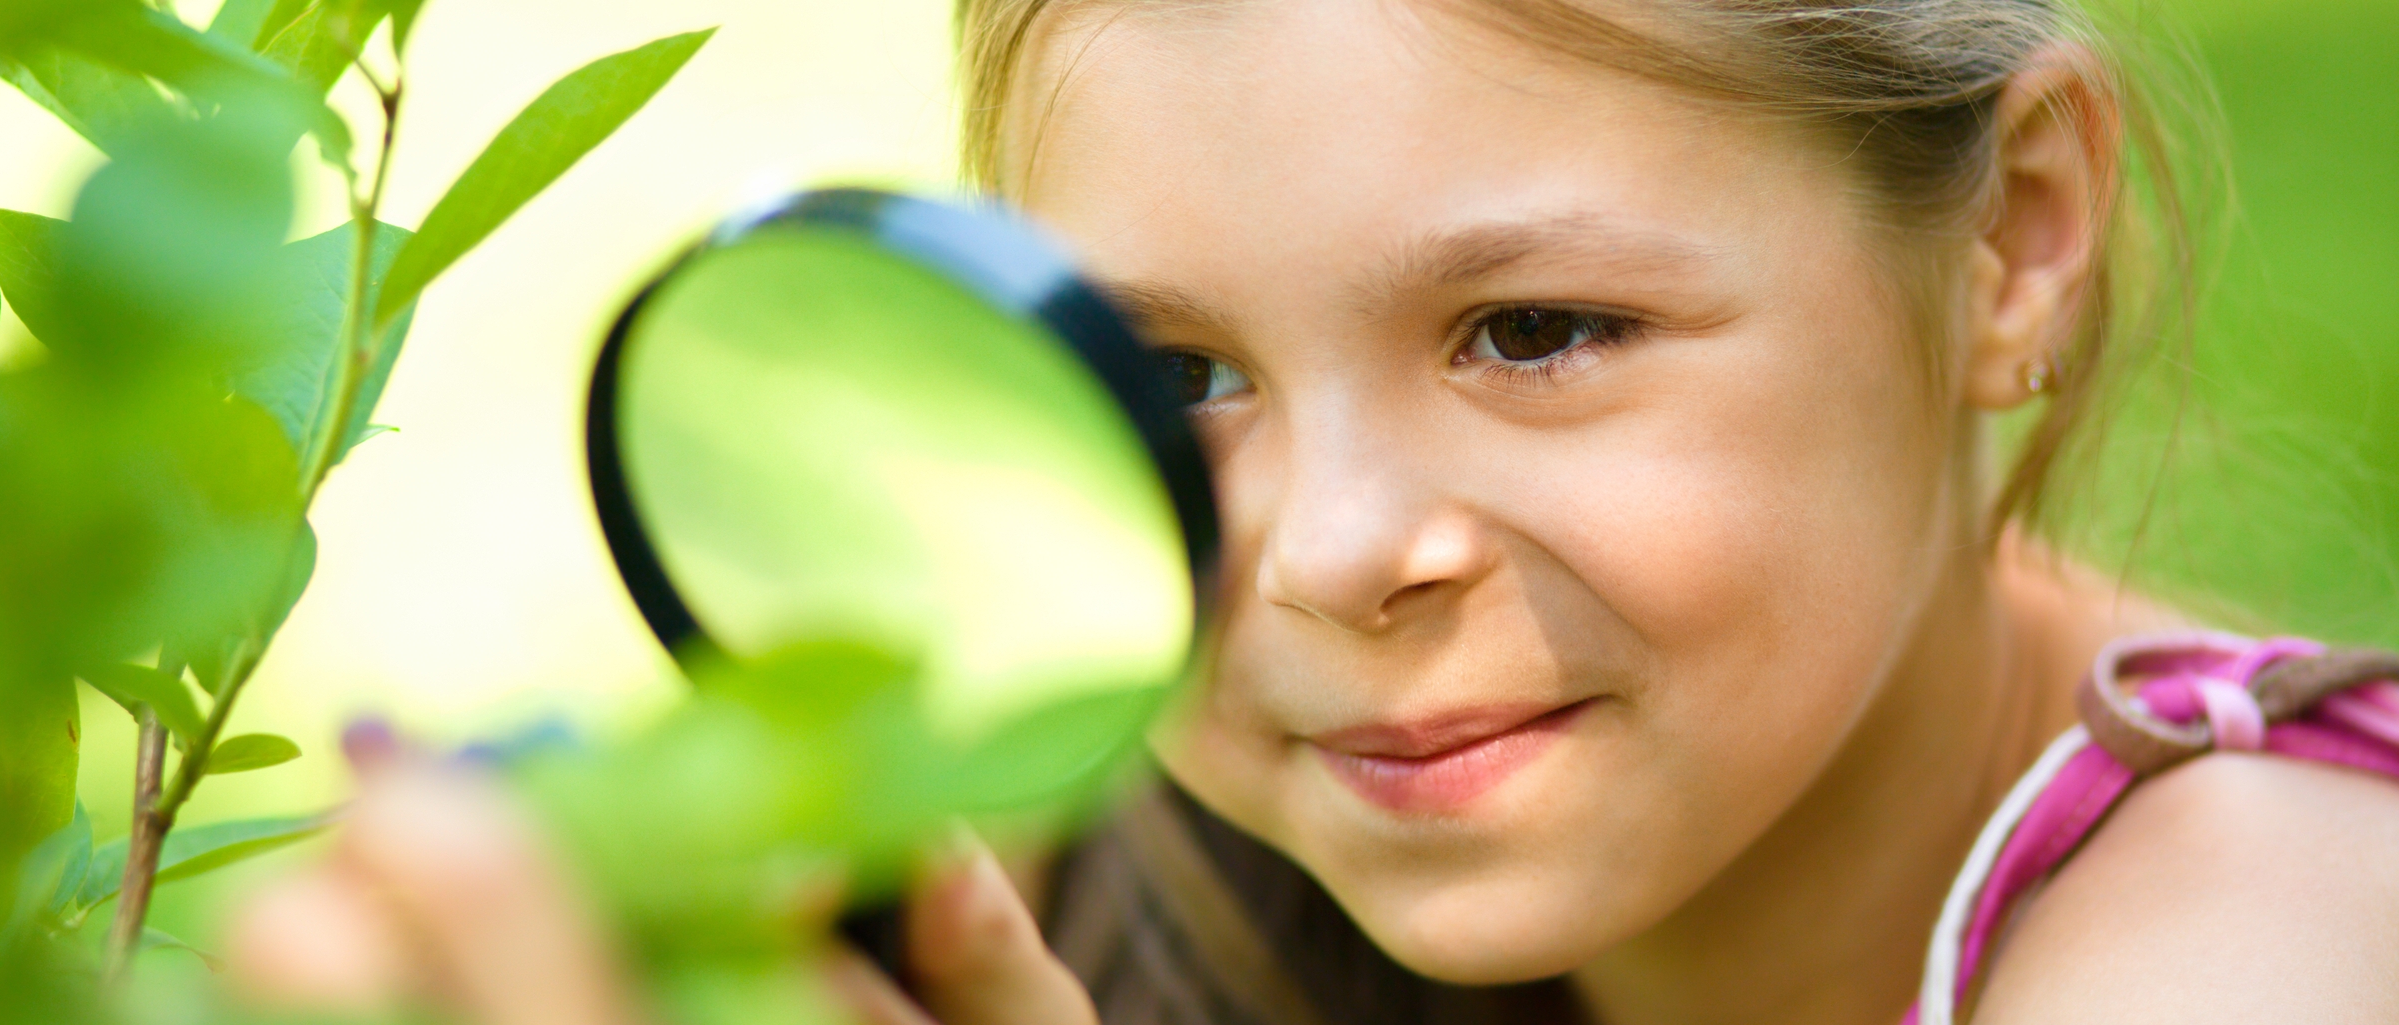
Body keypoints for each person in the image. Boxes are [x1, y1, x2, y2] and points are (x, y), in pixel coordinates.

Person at [225, 1, 2399, 1023]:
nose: (1332, 553)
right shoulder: (1133, 873)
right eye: (1176, 379)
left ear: (2012, 238)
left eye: (1536, 331)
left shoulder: (2268, 933)